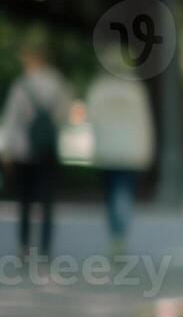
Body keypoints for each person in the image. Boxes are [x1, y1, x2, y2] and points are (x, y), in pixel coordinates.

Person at [0, 39, 72, 257]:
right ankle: (45, 246)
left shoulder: (21, 85)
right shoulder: (58, 84)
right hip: (47, 149)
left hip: (24, 150)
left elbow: (11, 120)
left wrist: (6, 149)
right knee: (47, 200)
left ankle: (24, 245)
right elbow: (64, 114)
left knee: (24, 201)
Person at [86, 44, 157, 255]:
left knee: (110, 194)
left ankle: (115, 233)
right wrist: (147, 150)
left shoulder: (99, 89)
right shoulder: (135, 89)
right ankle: (120, 235)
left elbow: (92, 121)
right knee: (123, 193)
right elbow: (145, 123)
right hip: (129, 150)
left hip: (107, 149)